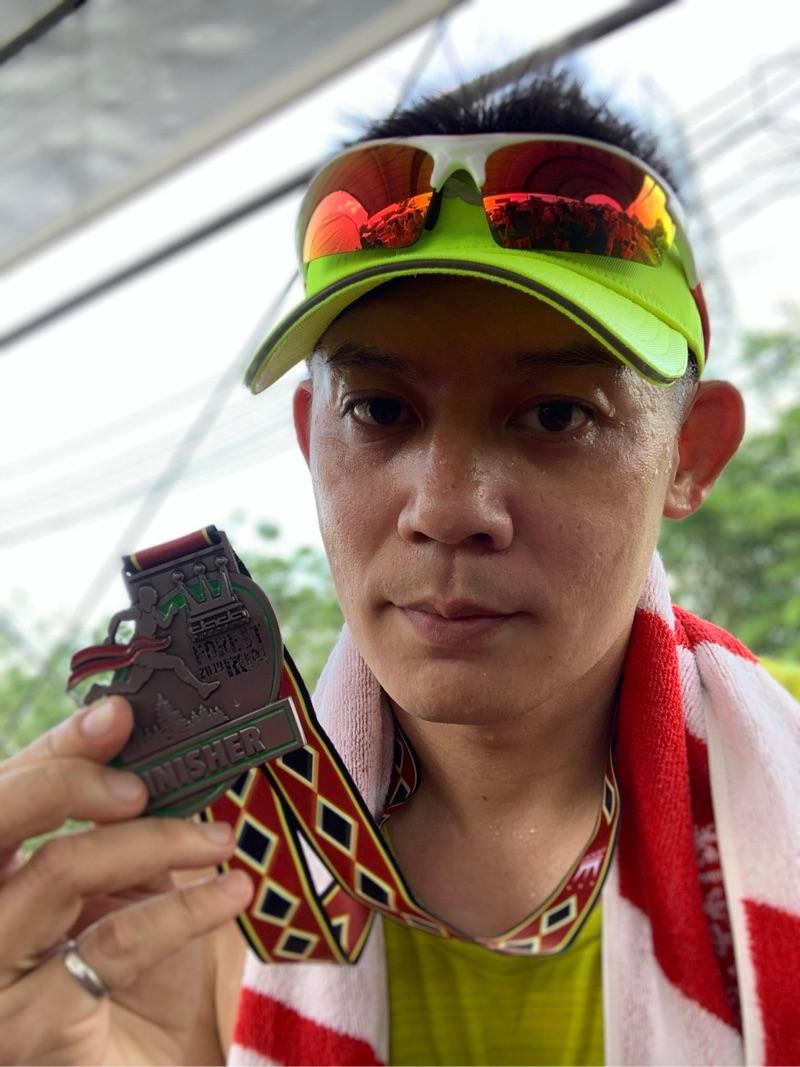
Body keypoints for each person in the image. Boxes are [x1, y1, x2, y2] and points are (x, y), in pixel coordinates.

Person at [2, 69, 799, 1067]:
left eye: (557, 415)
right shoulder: (196, 893)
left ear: (689, 453)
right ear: (311, 442)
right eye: (379, 410)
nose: (447, 507)